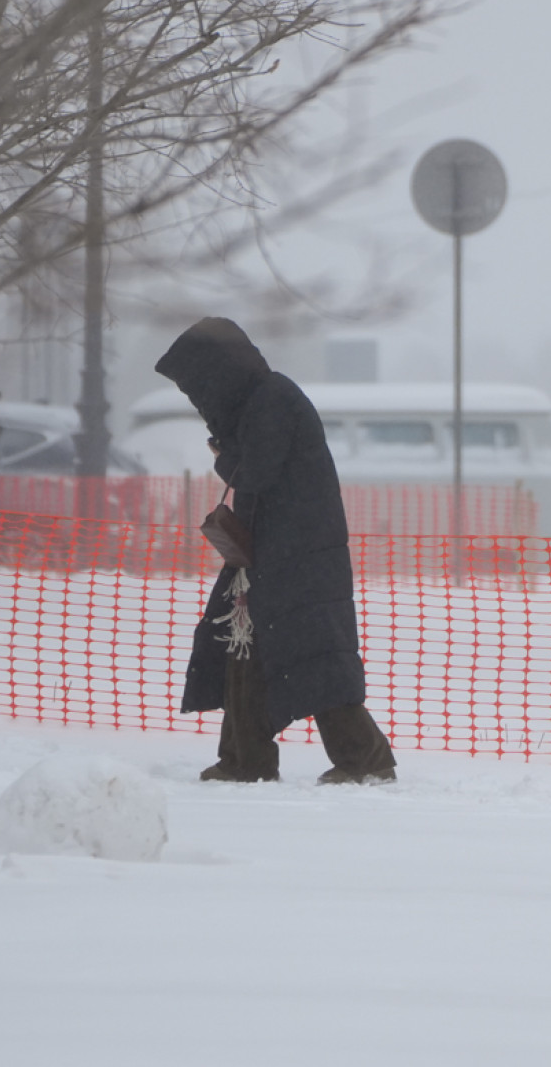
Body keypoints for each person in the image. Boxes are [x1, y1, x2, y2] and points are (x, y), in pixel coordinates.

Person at [155, 317, 397, 784]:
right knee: (244, 652)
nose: (199, 400)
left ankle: (365, 758)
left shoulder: (273, 399)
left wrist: (222, 454)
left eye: (198, 388)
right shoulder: (264, 400)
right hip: (272, 555)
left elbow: (254, 472)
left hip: (298, 557)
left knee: (313, 654)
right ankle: (246, 760)